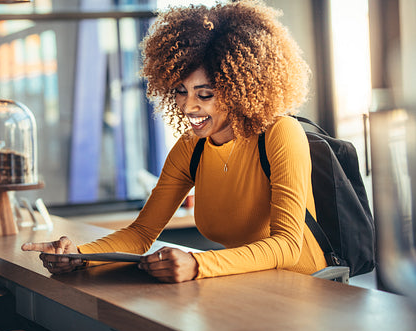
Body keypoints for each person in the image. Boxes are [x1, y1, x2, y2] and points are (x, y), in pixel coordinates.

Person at [22, 0, 327, 283]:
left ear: (240, 90)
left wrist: (198, 264)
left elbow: (287, 246)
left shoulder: (280, 133)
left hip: (307, 289)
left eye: (204, 94)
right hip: (247, 286)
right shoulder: (191, 147)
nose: (188, 106)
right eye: (181, 91)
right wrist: (79, 255)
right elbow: (141, 232)